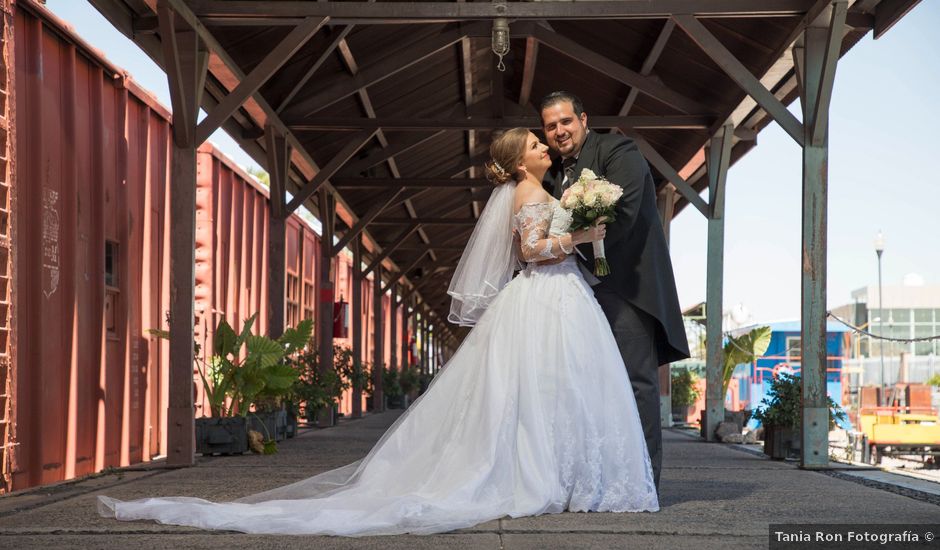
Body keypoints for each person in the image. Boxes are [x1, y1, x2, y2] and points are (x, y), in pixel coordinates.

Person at [96, 128, 658, 536]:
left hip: (561, 298)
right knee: (546, 390)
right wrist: (582, 237)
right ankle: (550, 476)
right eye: (535, 144)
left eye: (543, 141)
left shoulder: (538, 191)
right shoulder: (529, 194)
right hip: (546, 293)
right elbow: (532, 251)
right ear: (518, 163)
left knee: (550, 390)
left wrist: (584, 230)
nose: (544, 147)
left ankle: (556, 473)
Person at [540, 91, 691, 491]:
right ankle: (600, 477)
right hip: (580, 291)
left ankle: (642, 481)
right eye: (551, 126)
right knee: (590, 385)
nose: (559, 131)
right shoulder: (554, 175)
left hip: (627, 286)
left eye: (565, 122)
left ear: (583, 119)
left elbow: (622, 214)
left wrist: (577, 243)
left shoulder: (617, 149)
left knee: (635, 382)